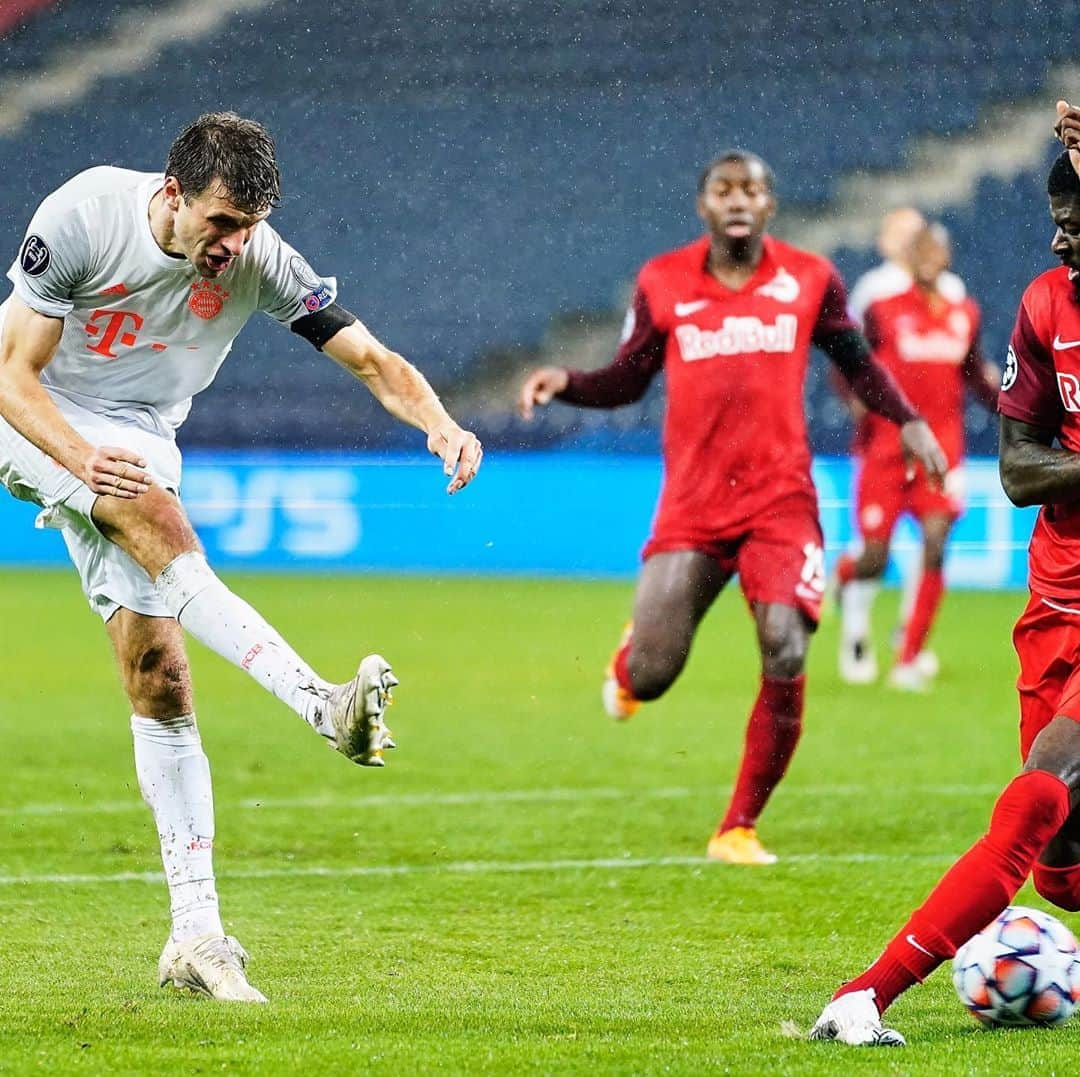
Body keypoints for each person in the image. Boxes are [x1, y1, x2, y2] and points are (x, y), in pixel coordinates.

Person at [0, 112, 482, 1002]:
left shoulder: (261, 257)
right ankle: (321, 705)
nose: (234, 245)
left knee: (161, 677)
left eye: (250, 226)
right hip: (38, 413)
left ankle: (196, 937)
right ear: (174, 195)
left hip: (141, 430)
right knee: (161, 524)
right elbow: (11, 372)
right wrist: (78, 459)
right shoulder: (82, 216)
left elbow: (370, 358)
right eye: (221, 224)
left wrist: (440, 421)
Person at [517, 151, 945, 866]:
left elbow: (858, 364)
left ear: (770, 204)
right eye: (724, 190)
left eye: (752, 189)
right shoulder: (662, 280)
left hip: (781, 502)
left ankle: (738, 826)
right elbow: (628, 378)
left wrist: (909, 419)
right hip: (693, 504)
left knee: (784, 643)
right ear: (704, 205)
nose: (739, 200)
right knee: (652, 675)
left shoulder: (811, 279)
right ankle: (629, 662)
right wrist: (566, 381)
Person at [809, 120, 1080, 1049]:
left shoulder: (963, 302)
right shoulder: (1045, 304)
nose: (1058, 236)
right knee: (1062, 869)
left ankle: (867, 993)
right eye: (1053, 217)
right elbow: (1019, 469)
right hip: (1054, 600)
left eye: (1074, 217)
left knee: (1043, 792)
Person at [835, 222, 999, 690]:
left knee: (934, 542)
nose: (930, 256)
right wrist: (853, 400)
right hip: (887, 445)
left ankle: (908, 658)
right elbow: (850, 363)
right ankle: (844, 578)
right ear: (909, 256)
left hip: (942, 449)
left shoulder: (965, 312)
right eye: (921, 249)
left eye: (938, 249)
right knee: (874, 558)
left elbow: (977, 376)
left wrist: (1019, 409)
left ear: (948, 257)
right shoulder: (882, 310)